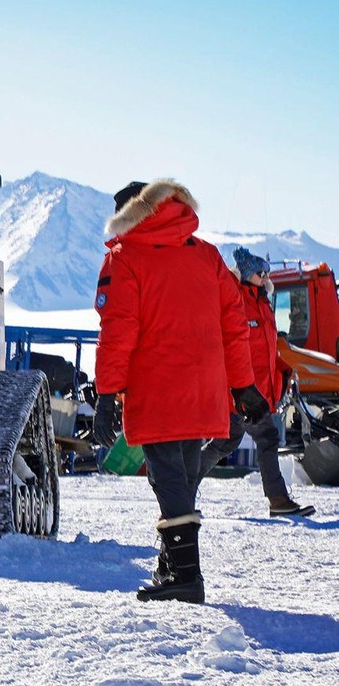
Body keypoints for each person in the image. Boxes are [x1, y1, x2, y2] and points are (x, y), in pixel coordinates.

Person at [92, 181, 269, 604]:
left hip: (157, 389)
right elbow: (235, 326)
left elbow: (118, 332)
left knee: (167, 477)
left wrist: (107, 393)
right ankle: (171, 566)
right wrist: (243, 385)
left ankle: (186, 577)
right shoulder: (207, 256)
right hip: (203, 389)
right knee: (183, 476)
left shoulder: (126, 257)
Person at [197, 248, 312, 516]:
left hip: (257, 391)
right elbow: (235, 349)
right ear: (248, 274)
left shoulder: (262, 304)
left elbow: (266, 349)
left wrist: (282, 369)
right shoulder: (236, 300)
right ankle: (278, 500)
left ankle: (182, 490)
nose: (265, 277)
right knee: (267, 437)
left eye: (266, 273)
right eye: (261, 273)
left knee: (225, 443)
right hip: (243, 393)